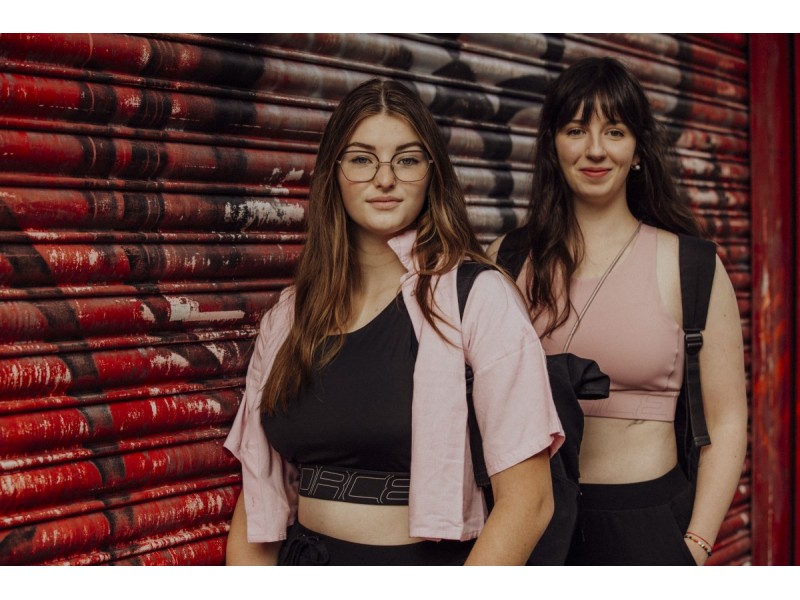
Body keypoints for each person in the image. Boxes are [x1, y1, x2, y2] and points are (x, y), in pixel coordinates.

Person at [224, 78, 564, 566]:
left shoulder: (477, 297)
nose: (384, 179)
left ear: (432, 173)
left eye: (406, 160)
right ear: (334, 173)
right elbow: (259, 497)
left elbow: (528, 503)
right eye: (362, 159)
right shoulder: (289, 315)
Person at [488, 57, 748, 566]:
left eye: (614, 131)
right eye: (575, 130)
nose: (595, 149)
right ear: (553, 146)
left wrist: (694, 547)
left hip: (645, 523)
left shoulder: (690, 265)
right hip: (529, 527)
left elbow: (728, 419)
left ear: (637, 150)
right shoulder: (508, 259)